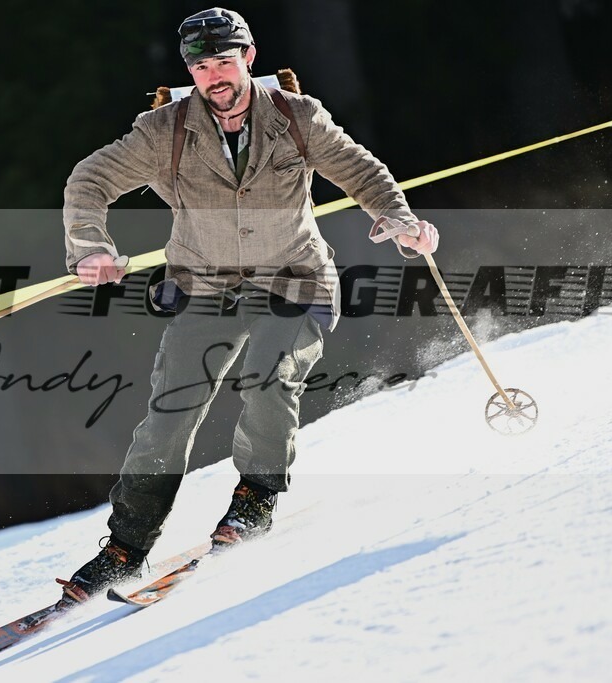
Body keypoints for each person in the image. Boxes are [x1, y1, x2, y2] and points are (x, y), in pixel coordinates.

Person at [58, 7, 438, 603]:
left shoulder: (297, 116)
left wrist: (396, 216)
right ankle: (124, 547)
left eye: (224, 62)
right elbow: (88, 180)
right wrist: (90, 246)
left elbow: (359, 168)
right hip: (204, 288)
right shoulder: (164, 130)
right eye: (201, 66)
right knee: (169, 415)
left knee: (268, 377)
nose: (214, 76)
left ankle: (255, 499)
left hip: (296, 282)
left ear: (249, 58)